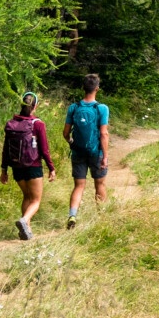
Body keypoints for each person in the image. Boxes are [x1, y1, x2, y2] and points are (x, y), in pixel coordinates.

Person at [2, 92, 54, 239]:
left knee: (26, 196)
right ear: (35, 106)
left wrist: (4, 169)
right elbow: (44, 149)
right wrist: (51, 168)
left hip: (16, 167)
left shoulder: (12, 123)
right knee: (36, 200)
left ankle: (26, 231)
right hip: (33, 166)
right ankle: (24, 220)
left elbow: (5, 148)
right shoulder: (37, 124)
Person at [64, 74, 111, 228]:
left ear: (83, 88)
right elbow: (103, 134)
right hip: (95, 152)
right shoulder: (102, 109)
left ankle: (72, 216)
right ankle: (102, 218)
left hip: (78, 152)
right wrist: (105, 156)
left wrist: (72, 142)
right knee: (100, 184)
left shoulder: (74, 107)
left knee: (79, 186)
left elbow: (65, 133)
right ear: (97, 88)